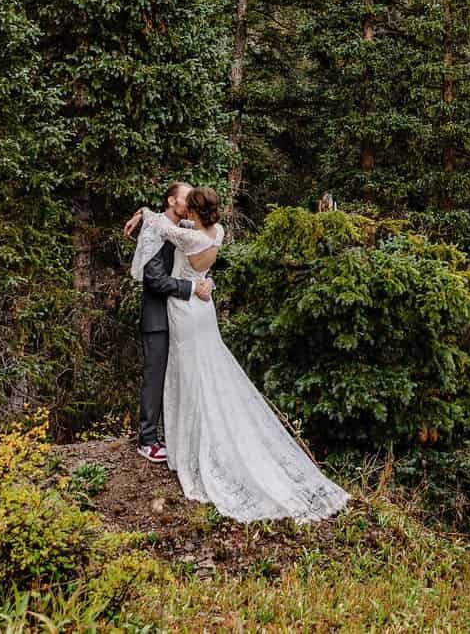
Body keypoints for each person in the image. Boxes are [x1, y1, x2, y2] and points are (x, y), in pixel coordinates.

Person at [125, 187, 349, 523]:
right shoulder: (216, 232)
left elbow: (162, 228)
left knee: (189, 373)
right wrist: (198, 282)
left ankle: (191, 442)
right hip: (202, 308)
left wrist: (145, 210)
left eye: (190, 199)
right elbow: (167, 252)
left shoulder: (187, 236)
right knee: (204, 370)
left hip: (186, 310)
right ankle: (177, 435)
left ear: (193, 210)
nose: (184, 202)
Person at [133, 181, 212, 463]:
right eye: (185, 198)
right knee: (154, 378)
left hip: (181, 316)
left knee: (178, 375)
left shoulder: (183, 228)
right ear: (171, 201)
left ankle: (173, 434)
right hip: (158, 317)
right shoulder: (153, 231)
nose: (190, 202)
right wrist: (191, 289)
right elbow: (154, 279)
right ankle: (147, 439)